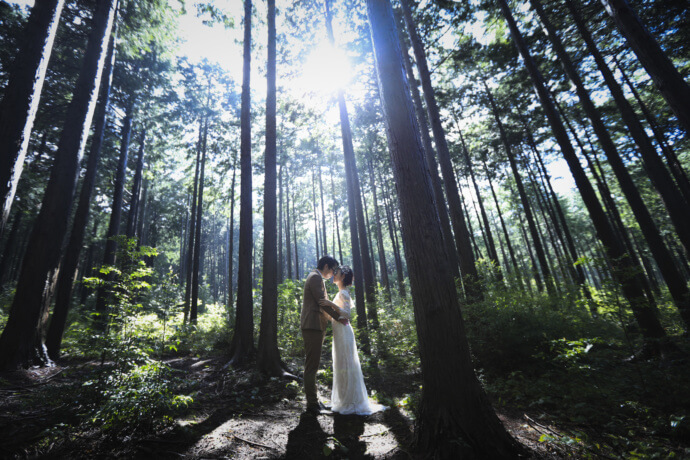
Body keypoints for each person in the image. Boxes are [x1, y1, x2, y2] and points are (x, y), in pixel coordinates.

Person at [319, 266, 386, 415]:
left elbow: (347, 314)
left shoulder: (343, 293)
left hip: (344, 332)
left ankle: (351, 402)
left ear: (342, 276)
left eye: (336, 273)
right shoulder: (340, 292)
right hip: (339, 331)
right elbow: (335, 316)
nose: (333, 275)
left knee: (346, 364)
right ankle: (344, 400)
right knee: (341, 364)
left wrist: (330, 304)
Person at [300, 255, 347, 415]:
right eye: (333, 269)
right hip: (312, 325)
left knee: (313, 364)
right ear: (326, 266)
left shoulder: (316, 278)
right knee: (311, 365)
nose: (333, 273)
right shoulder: (315, 277)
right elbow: (322, 302)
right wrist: (339, 317)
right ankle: (312, 404)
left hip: (316, 325)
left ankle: (315, 401)